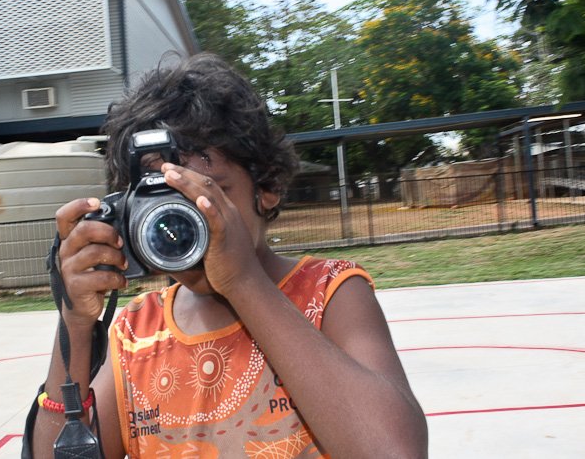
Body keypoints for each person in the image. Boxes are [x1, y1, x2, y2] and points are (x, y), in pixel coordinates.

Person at [28, 53, 428, 458]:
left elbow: (393, 451)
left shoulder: (330, 294)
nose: (188, 221)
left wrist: (243, 281)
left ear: (266, 186)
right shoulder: (136, 335)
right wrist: (75, 327)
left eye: (208, 194)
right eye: (163, 204)